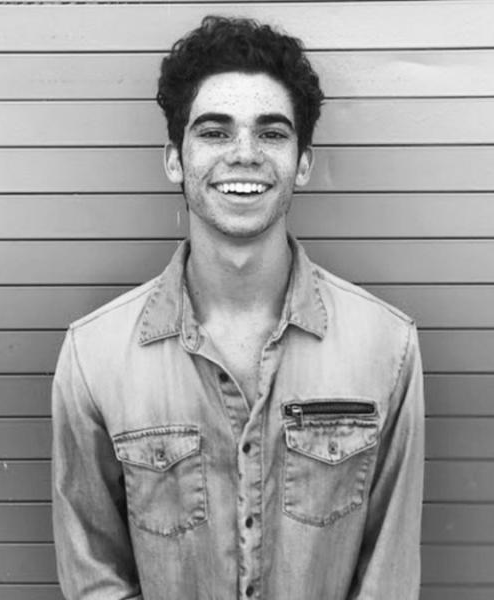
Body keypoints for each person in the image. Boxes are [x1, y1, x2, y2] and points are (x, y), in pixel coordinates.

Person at [52, 15, 424, 599]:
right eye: (215, 132)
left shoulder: (387, 344)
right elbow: (94, 573)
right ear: (175, 160)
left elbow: (388, 577)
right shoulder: (93, 355)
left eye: (271, 133)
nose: (244, 154)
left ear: (303, 162)